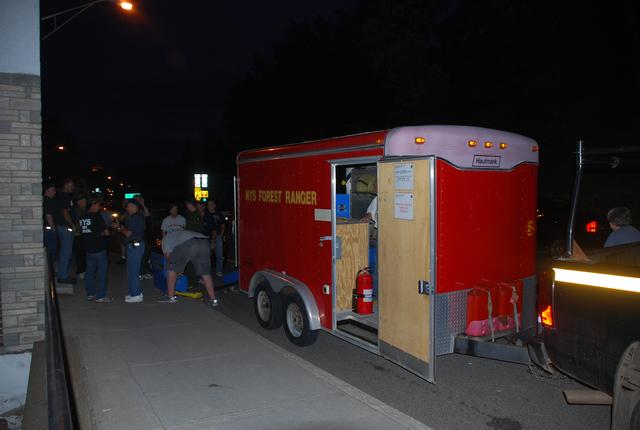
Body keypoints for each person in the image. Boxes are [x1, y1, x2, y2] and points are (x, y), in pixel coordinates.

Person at [158, 229, 218, 307]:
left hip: (189, 243)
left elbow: (168, 256)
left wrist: (176, 270)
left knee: (171, 268)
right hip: (204, 242)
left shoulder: (165, 239)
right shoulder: (181, 233)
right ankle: (213, 300)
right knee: (205, 272)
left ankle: (170, 297)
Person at [112, 199, 146, 303]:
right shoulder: (130, 217)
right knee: (130, 271)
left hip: (136, 245)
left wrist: (119, 228)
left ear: (137, 207)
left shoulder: (137, 217)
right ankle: (134, 293)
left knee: (133, 271)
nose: (130, 208)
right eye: (128, 206)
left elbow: (128, 234)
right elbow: (126, 232)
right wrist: (119, 228)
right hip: (132, 245)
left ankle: (136, 295)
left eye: (132, 206)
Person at [78, 197, 112, 302]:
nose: (99, 207)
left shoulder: (82, 217)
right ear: (93, 205)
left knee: (89, 272)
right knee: (102, 273)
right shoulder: (97, 216)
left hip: (88, 248)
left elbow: (83, 232)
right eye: (98, 205)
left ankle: (90, 294)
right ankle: (101, 296)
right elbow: (107, 233)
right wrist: (100, 233)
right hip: (99, 248)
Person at [53, 178, 76, 284]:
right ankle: (63, 276)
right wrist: (72, 224)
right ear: (65, 185)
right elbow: (65, 211)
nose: (73, 187)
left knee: (64, 251)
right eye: (71, 185)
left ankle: (62, 273)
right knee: (66, 251)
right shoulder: (64, 196)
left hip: (60, 226)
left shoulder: (59, 196)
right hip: (65, 226)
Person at [203, 199, 225, 277]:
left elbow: (223, 226)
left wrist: (221, 235)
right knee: (207, 255)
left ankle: (219, 271)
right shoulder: (205, 214)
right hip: (208, 237)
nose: (210, 206)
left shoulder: (219, 214)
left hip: (218, 236)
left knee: (219, 255)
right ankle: (207, 272)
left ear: (215, 205)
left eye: (211, 204)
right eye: (208, 205)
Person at [73, 195, 87, 279]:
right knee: (80, 254)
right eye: (83, 201)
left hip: (81, 234)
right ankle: (81, 271)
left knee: (81, 253)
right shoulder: (77, 209)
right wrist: (79, 230)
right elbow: (79, 222)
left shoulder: (82, 210)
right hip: (79, 234)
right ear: (79, 202)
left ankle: (82, 270)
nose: (85, 203)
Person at [43, 183, 58, 260]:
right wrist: (53, 229)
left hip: (46, 229)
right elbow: (48, 215)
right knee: (51, 250)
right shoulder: (48, 200)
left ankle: (49, 269)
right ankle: (50, 270)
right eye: (52, 190)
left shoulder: (43, 200)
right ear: (47, 191)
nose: (54, 192)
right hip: (49, 230)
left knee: (48, 250)